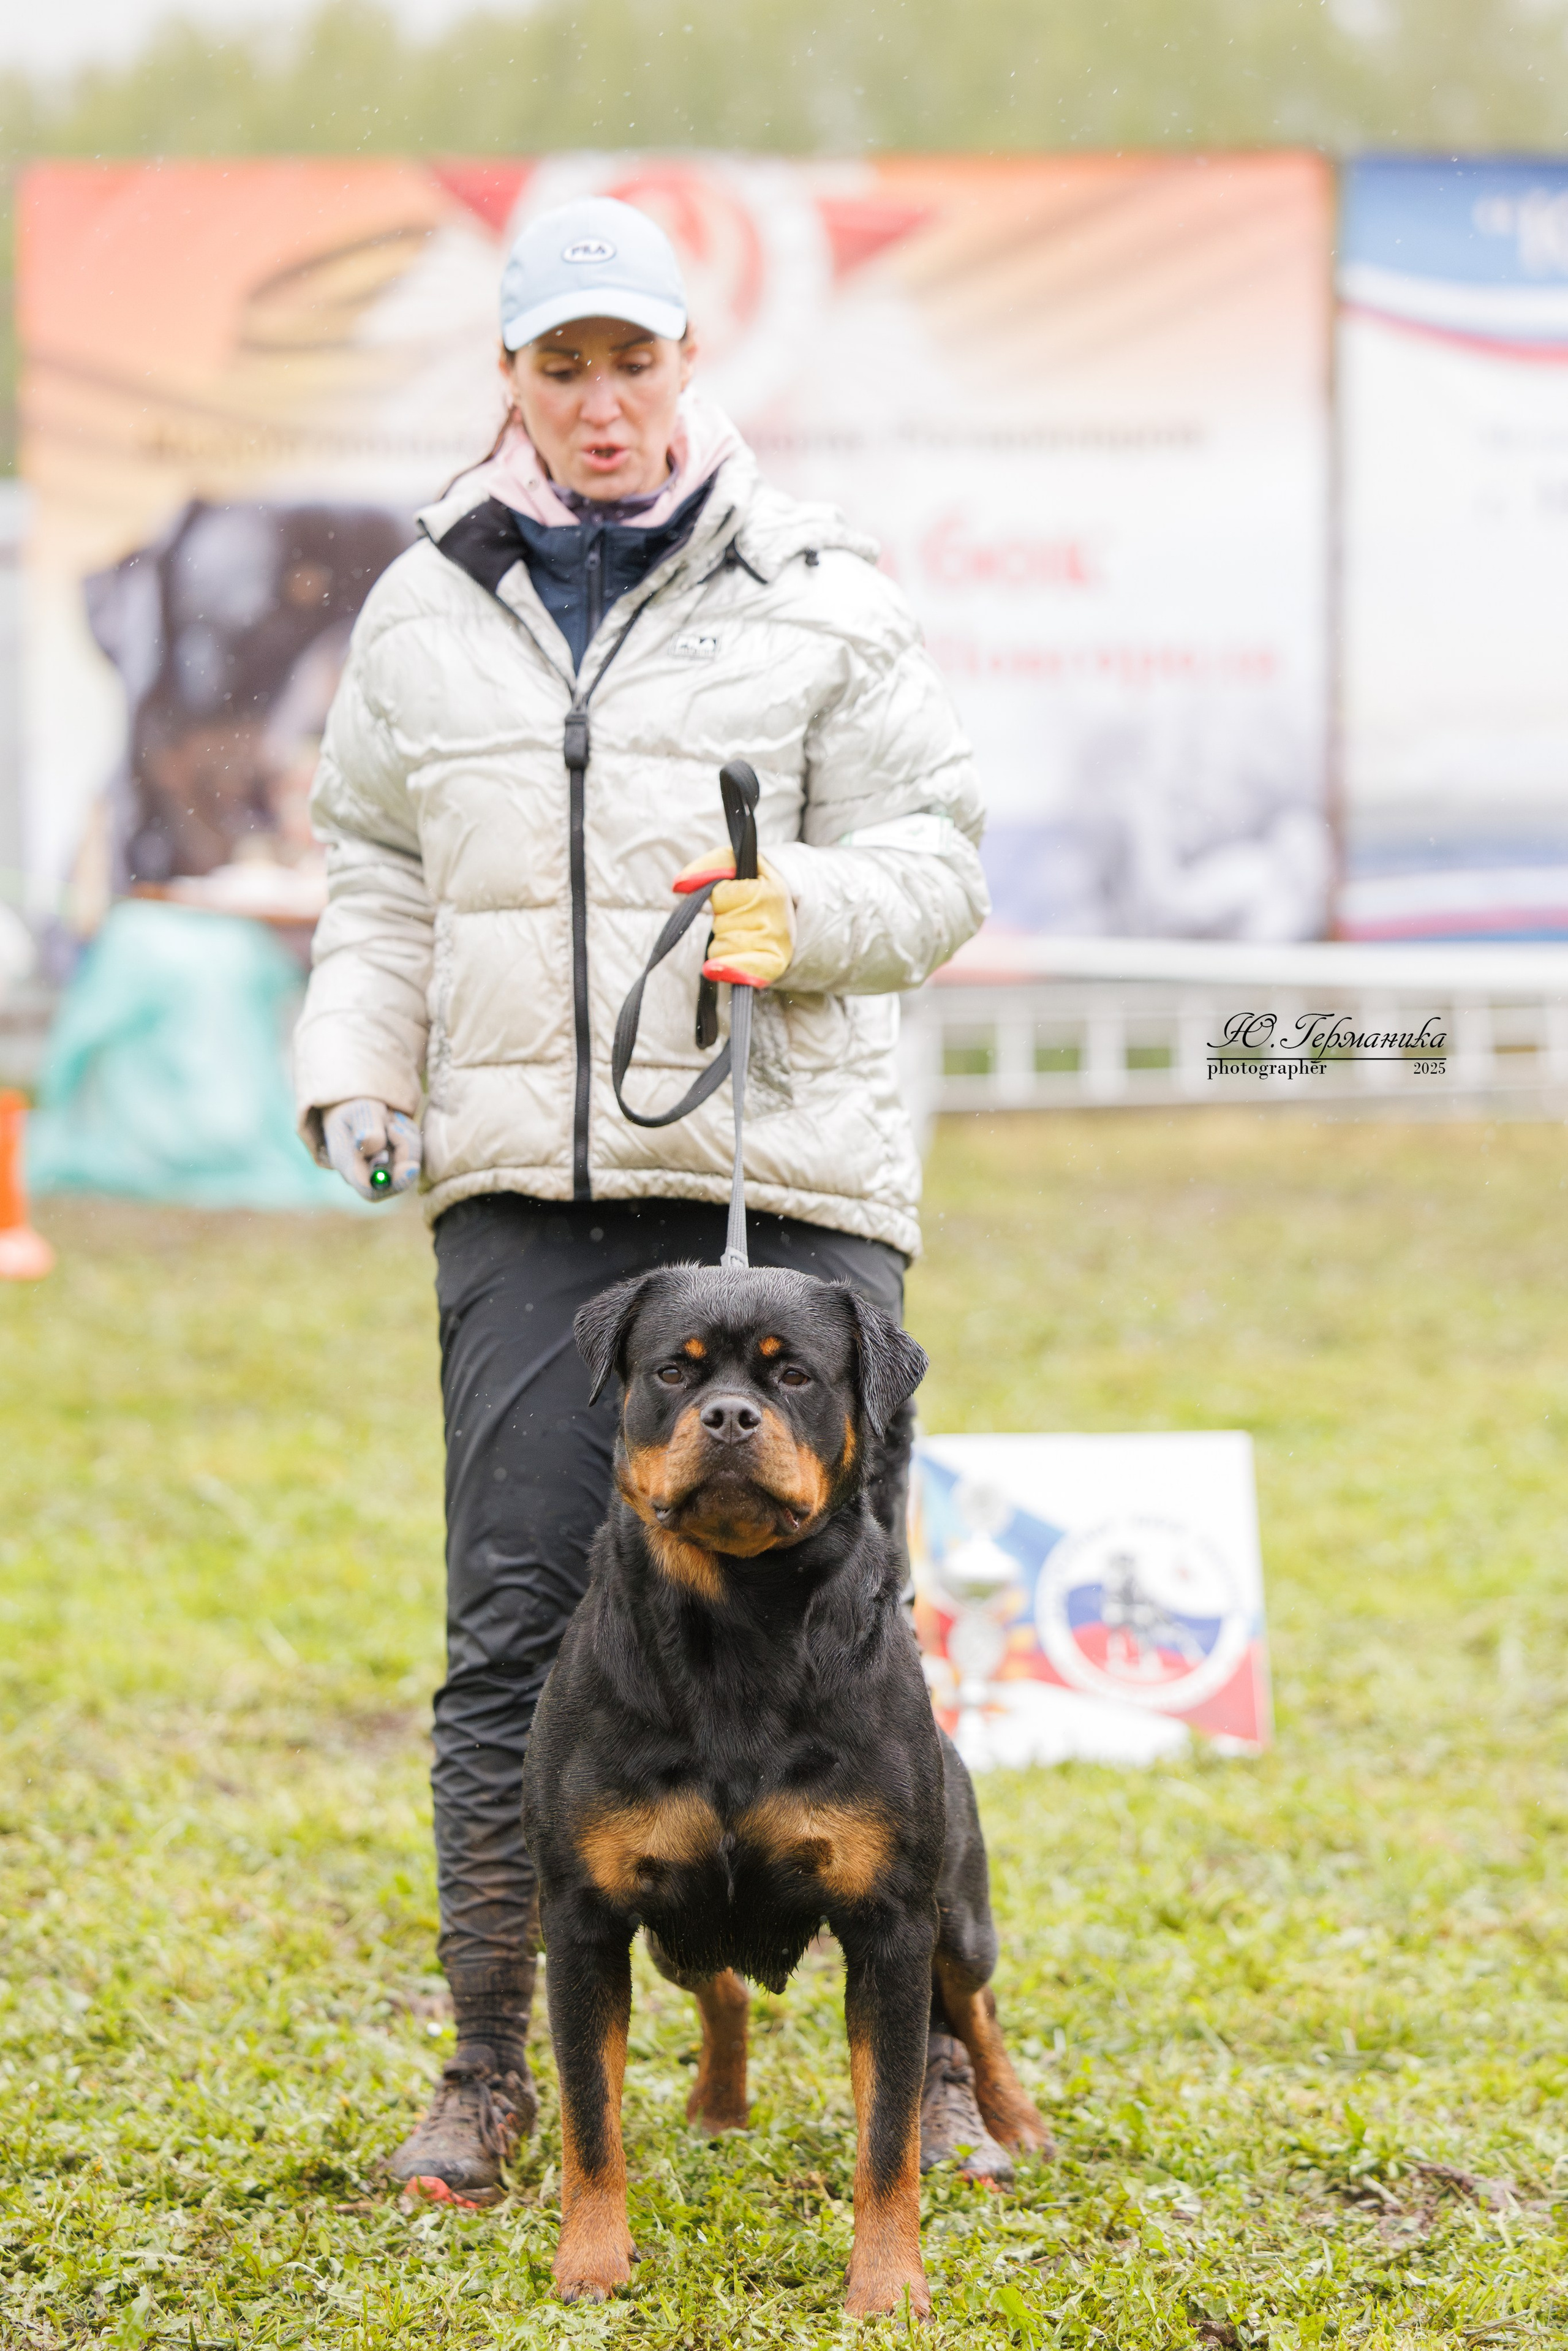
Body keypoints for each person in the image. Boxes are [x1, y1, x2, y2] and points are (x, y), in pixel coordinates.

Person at [293, 196, 998, 2199]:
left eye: (635, 360)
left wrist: (812, 910)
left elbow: (937, 856)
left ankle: (930, 2038)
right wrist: (353, 1059)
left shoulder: (825, 590)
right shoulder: (421, 606)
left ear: (695, 364)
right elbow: (378, 876)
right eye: (559, 365)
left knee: (868, 1629)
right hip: (528, 1183)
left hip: (783, 1170)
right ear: (507, 381)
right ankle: (492, 2065)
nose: (601, 403)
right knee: (511, 1636)